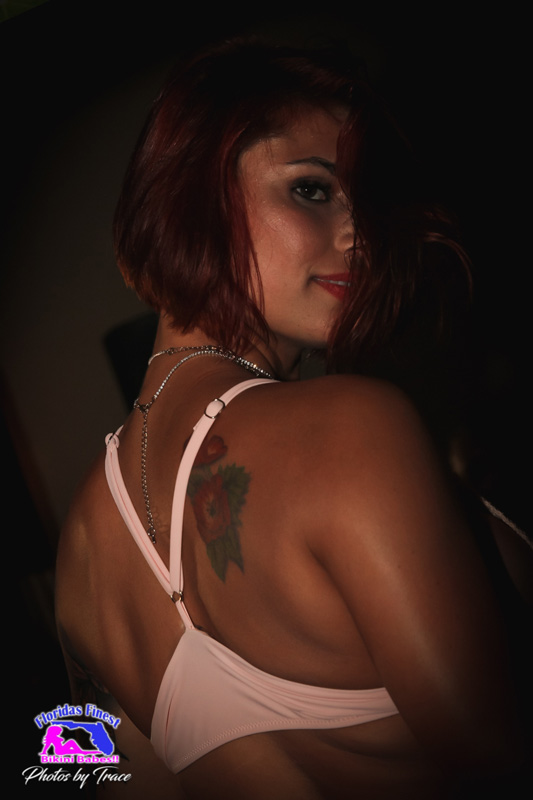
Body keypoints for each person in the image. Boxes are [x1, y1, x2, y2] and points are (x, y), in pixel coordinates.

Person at [55, 38, 530, 799]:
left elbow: (90, 777)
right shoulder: (349, 426)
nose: (359, 232)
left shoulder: (79, 555)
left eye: (362, 200)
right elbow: (500, 760)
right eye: (312, 190)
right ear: (189, 197)